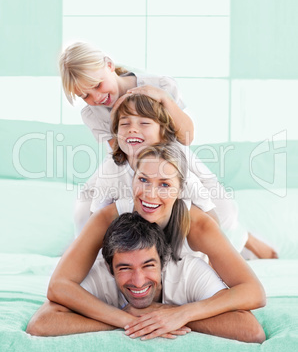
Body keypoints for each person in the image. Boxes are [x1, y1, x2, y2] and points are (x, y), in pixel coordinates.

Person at [60, 41, 278, 259]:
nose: (96, 98)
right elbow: (120, 151)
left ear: (109, 65)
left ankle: (244, 238)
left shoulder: (160, 85)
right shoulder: (92, 113)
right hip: (130, 161)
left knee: (224, 213)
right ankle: (84, 254)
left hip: (172, 154)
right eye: (84, 96)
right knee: (83, 210)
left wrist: (164, 99)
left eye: (97, 85)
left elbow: (187, 136)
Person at [26, 143, 266, 341]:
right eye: (143, 180)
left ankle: (249, 240)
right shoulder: (107, 218)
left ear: (180, 190)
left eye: (164, 184)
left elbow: (253, 291)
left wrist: (179, 313)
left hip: (191, 285)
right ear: (132, 181)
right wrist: (126, 318)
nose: (150, 194)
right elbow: (59, 285)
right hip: (124, 290)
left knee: (231, 233)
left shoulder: (197, 227)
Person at [26, 212, 265, 343]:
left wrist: (173, 316)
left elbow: (251, 330)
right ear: (109, 268)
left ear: (164, 261)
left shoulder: (190, 271)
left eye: (148, 265)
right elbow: (41, 323)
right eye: (125, 268)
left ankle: (253, 243)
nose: (138, 281)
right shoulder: (99, 272)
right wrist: (126, 319)